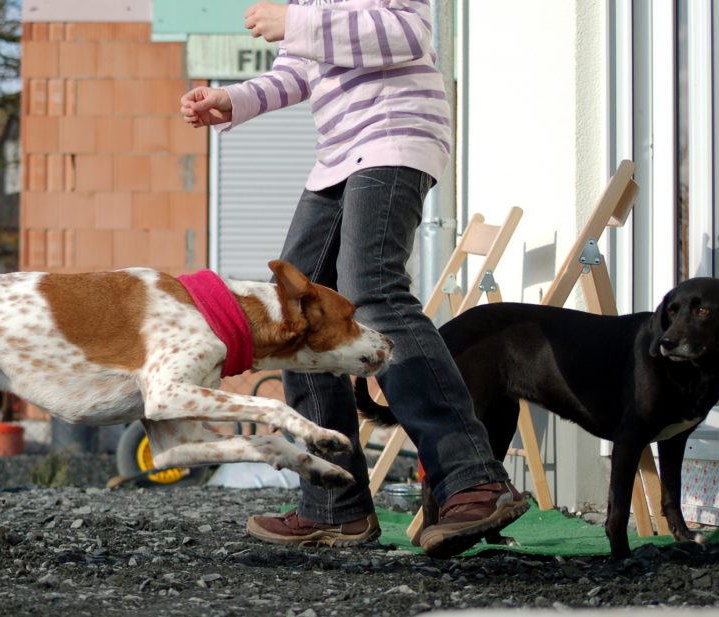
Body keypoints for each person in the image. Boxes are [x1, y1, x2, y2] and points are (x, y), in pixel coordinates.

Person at [179, 0, 527, 558]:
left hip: (393, 136)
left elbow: (407, 31)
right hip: (341, 155)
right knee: (295, 311)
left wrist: (295, 24)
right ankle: (334, 505)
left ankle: (473, 479)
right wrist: (236, 98)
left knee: (374, 291)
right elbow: (301, 67)